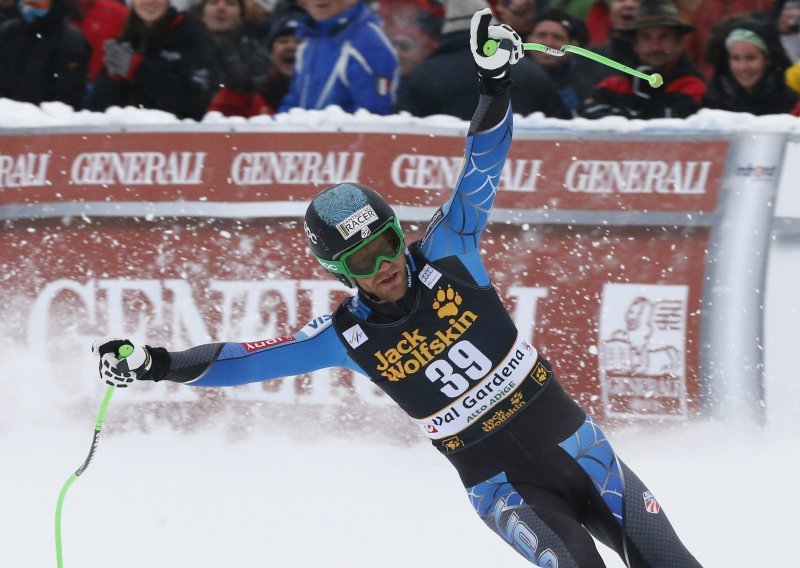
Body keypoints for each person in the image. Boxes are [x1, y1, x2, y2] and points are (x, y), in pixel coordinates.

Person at [93, 9, 703, 567]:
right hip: (506, 492)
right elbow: (239, 362)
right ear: (338, 273)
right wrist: (155, 363)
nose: (384, 264)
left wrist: (494, 81)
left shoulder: (449, 252)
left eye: (386, 243)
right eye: (361, 260)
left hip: (580, 451)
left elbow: (482, 164)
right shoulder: (347, 336)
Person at [395, 0, 570, 119]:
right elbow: (561, 128)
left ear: (447, 31)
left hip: (451, 169)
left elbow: (398, 132)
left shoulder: (425, 75)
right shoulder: (531, 72)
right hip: (520, 169)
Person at [88, 0, 219, 121]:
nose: (150, 2)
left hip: (181, 137)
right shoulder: (126, 41)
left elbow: (194, 102)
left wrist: (139, 69)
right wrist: (114, 80)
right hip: (129, 136)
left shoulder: (192, 36)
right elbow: (100, 111)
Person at [581, 0, 707, 119]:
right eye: (646, 38)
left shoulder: (694, 87)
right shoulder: (613, 86)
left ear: (679, 43)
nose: (655, 47)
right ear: (635, 45)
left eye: (664, 38)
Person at [278, 0, 398, 114]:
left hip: (347, 134)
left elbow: (374, 113)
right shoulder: (308, 43)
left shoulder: (369, 43)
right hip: (312, 134)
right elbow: (293, 104)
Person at [0, 0, 90, 109]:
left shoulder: (69, 39)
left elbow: (69, 93)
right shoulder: (8, 32)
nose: (29, 8)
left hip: (43, 118)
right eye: (26, 2)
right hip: (6, 114)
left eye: (37, 4)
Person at [704, 20, 800, 115]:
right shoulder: (713, 102)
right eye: (736, 58)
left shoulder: (788, 102)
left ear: (768, 59)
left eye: (751, 58)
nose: (743, 67)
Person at [202, 0, 272, 117]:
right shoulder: (183, 47)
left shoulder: (256, 54)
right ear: (203, 13)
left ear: (241, 16)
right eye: (214, 2)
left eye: (230, 4)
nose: (221, 8)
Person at [526, 7, 595, 115]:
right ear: (529, 39)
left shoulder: (585, 86)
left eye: (557, 37)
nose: (548, 43)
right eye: (541, 35)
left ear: (573, 45)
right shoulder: (509, 75)